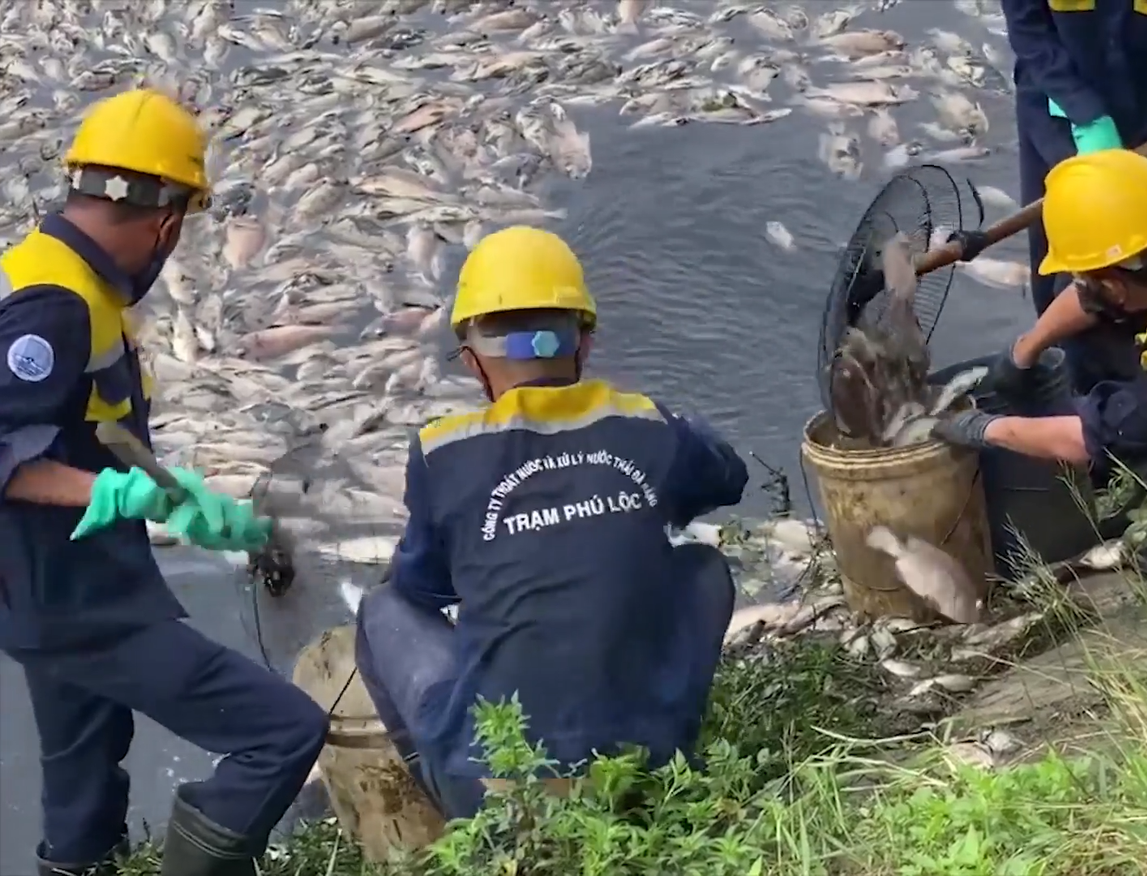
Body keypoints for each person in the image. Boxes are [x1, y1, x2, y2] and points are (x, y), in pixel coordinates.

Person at [0, 88, 329, 876]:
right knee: (282, 730)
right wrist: (118, 497)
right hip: (75, 601)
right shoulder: (56, 305)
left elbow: (80, 422)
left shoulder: (51, 271)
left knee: (84, 767)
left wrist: (173, 494)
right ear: (168, 221)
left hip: (41, 592)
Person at [354, 226, 749, 818]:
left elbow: (420, 589)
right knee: (702, 565)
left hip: (496, 784)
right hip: (646, 764)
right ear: (584, 344)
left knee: (383, 609)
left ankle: (450, 795)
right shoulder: (644, 422)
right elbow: (728, 478)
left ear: (471, 363)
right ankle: (664, 751)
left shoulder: (442, 450)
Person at [936, 149, 1147, 580]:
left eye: (1085, 278)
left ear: (1114, 285)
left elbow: (1089, 437)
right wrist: (1026, 349)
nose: (1079, 286)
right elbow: (1095, 290)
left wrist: (982, 428)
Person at [1000, 0, 1147, 394]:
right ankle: (1055, 367)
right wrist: (1084, 111)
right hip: (1059, 113)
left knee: (1136, 265)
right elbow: (1028, 27)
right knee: (1057, 257)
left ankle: (1123, 407)